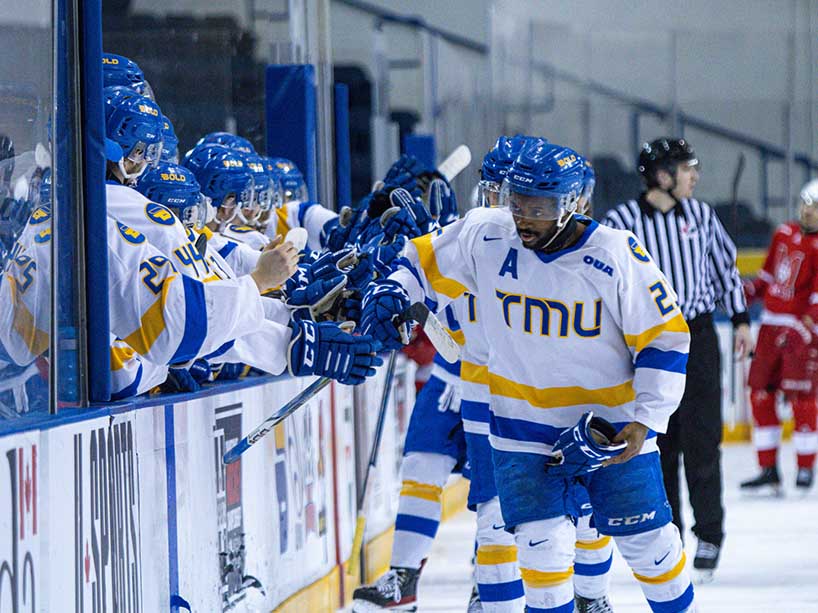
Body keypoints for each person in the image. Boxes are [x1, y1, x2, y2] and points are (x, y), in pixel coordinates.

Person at [361, 139, 695, 613]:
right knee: (542, 558)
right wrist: (393, 290)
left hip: (610, 428)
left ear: (574, 203)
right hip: (520, 431)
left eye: (539, 205)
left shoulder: (616, 253)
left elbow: (666, 337)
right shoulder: (486, 233)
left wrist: (646, 420)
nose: (523, 215)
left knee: (653, 550)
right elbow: (421, 262)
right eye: (518, 201)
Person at [602, 137, 752, 582]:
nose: (694, 176)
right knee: (656, 442)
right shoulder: (620, 223)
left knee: (704, 441)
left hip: (698, 336)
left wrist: (741, 320)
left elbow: (726, 270)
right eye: (687, 168)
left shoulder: (702, 216)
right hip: (645, 343)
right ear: (662, 176)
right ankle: (667, 536)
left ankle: (709, 533)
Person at [741, 178, 818, 492]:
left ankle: (804, 468)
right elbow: (768, 277)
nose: (806, 210)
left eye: (813, 206)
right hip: (770, 327)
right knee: (760, 395)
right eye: (804, 203)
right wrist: (745, 292)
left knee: (802, 399)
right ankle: (768, 468)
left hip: (798, 330)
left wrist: (806, 327)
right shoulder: (783, 233)